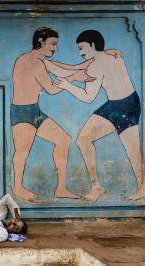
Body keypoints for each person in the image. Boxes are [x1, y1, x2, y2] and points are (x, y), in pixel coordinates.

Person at [52, 30, 143, 201]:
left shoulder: (96, 64)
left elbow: (88, 97)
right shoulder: (112, 56)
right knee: (83, 139)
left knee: (132, 151)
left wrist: (66, 85)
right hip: (128, 102)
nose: (80, 53)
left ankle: (130, 187)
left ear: (93, 45)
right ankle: (97, 186)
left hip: (123, 106)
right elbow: (77, 68)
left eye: (82, 48)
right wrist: (59, 70)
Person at [11, 27, 93, 201]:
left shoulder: (39, 60)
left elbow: (67, 68)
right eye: (53, 44)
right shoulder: (32, 61)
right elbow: (51, 89)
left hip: (35, 111)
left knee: (62, 139)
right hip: (22, 112)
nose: (55, 48)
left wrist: (102, 55)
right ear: (41, 41)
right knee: (22, 152)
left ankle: (61, 188)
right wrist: (73, 79)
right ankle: (17, 188)